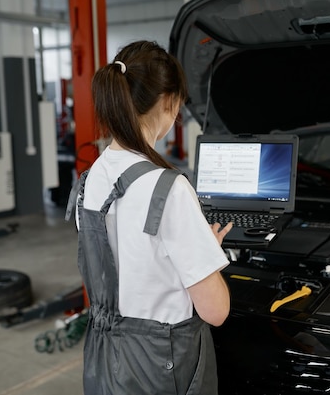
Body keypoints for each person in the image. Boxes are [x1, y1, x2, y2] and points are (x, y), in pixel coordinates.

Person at [68, 40, 233, 395]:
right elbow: (216, 311)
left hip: (105, 354)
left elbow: (131, 260)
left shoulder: (90, 178)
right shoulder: (169, 188)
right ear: (169, 102)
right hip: (161, 363)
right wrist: (208, 261)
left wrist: (195, 247)